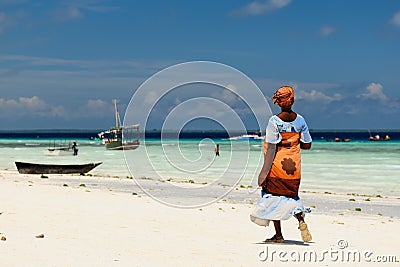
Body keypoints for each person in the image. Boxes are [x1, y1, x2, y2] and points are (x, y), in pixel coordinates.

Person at [250, 86, 312, 243]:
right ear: (293, 100)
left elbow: (271, 148)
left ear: (277, 102)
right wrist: (293, 140)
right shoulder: (300, 120)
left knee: (273, 197)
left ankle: (278, 235)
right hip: (294, 169)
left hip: (278, 166)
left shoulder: (274, 121)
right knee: (292, 196)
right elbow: (307, 145)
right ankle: (301, 221)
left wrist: (263, 173)